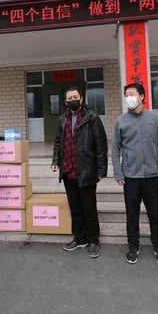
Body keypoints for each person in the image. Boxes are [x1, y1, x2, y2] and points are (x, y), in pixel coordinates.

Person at [112, 83, 158, 266]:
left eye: (132, 94)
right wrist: (118, 172)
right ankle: (133, 246)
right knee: (132, 215)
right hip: (130, 177)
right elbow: (115, 150)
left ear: (142, 96)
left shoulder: (155, 118)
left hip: (152, 176)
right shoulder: (121, 121)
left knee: (155, 215)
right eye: (126, 94)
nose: (129, 97)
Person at [51, 86, 108, 258]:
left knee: (89, 209)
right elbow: (58, 141)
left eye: (75, 97)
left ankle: (93, 240)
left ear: (81, 99)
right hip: (68, 170)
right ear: (65, 101)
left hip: (86, 170)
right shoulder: (63, 119)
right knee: (75, 208)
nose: (72, 100)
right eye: (69, 98)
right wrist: (55, 161)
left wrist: (101, 170)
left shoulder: (92, 118)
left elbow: (101, 145)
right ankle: (80, 238)